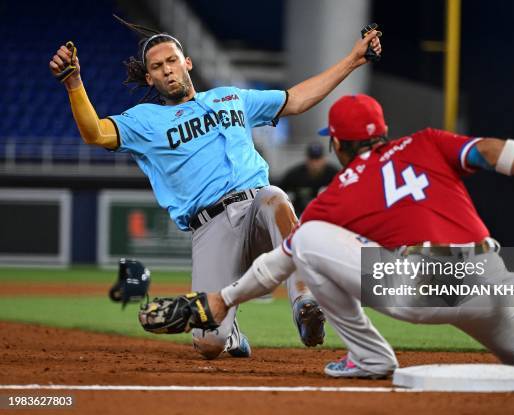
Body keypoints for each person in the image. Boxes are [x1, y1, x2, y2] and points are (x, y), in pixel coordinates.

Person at [172, 94, 514, 386]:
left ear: (338, 144)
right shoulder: (428, 142)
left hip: (426, 286)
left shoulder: (342, 190)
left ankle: (369, 357)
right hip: (489, 274)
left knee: (306, 241)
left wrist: (225, 297)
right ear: (384, 130)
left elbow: (279, 263)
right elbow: (491, 151)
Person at [48, 21, 382, 359]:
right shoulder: (145, 121)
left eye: (172, 61)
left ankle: (304, 303)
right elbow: (96, 133)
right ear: (150, 78)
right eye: (157, 67)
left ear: (187, 62)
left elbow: (295, 100)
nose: (167, 70)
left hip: (256, 207)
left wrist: (354, 59)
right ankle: (229, 329)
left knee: (276, 198)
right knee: (210, 345)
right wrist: (74, 83)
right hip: (211, 226)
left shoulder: (230, 98)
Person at [280, 142, 339, 216]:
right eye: (312, 159)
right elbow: (279, 192)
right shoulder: (295, 175)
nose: (314, 163)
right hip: (300, 215)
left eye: (317, 159)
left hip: (327, 216)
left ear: (324, 159)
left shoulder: (334, 174)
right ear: (306, 159)